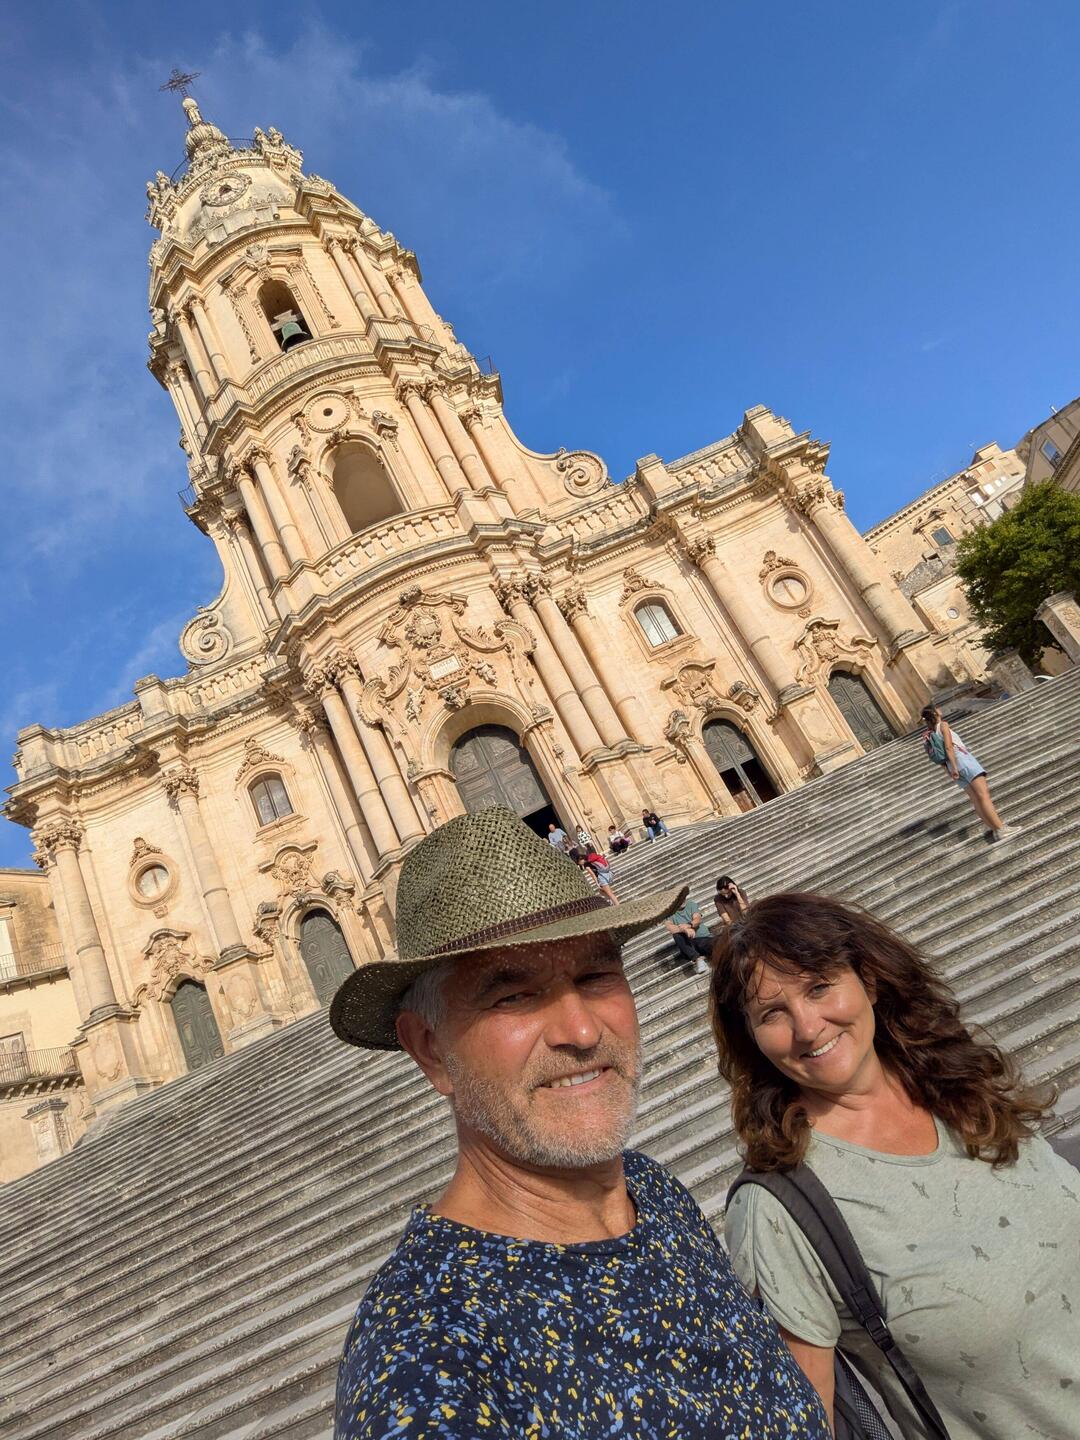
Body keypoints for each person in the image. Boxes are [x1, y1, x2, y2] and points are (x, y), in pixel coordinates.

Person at [330, 809, 829, 1440]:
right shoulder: (429, 1367)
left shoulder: (648, 1191)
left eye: (595, 975)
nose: (583, 1032)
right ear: (430, 1049)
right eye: (512, 995)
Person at [710, 891, 1079, 1439]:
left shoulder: (953, 1083)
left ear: (870, 981)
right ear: (751, 1038)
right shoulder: (779, 1210)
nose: (808, 1027)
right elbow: (807, 1426)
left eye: (819, 986)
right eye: (772, 1012)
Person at [920, 703, 1019, 842]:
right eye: (937, 708)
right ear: (935, 713)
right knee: (983, 796)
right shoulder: (943, 725)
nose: (939, 708)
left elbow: (941, 757)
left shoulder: (932, 733)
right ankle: (1001, 828)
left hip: (951, 765)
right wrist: (955, 766)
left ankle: (995, 829)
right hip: (961, 760)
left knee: (976, 800)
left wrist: (950, 770)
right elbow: (948, 747)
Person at [664, 895, 713, 974]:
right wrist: (684, 929)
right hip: (687, 945)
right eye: (679, 898)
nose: (682, 899)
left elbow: (697, 919)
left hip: (702, 939)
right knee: (676, 935)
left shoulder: (691, 904)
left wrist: (689, 925)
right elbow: (670, 928)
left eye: (683, 897)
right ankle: (698, 959)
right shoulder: (669, 913)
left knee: (714, 943)